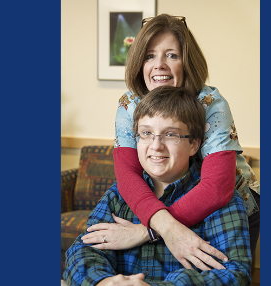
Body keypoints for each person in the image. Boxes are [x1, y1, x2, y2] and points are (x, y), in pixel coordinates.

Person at [108, 13, 253, 271]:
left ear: (187, 63)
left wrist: (148, 231)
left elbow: (217, 187)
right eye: (150, 55)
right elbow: (128, 175)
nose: (159, 65)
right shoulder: (129, 104)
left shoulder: (211, 104)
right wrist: (165, 227)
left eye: (172, 55)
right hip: (163, 205)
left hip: (228, 208)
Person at [67, 86, 253, 286]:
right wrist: (103, 281)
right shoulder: (118, 196)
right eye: (146, 133)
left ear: (194, 145)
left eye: (171, 134)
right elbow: (83, 252)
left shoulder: (223, 203)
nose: (156, 145)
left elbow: (236, 275)